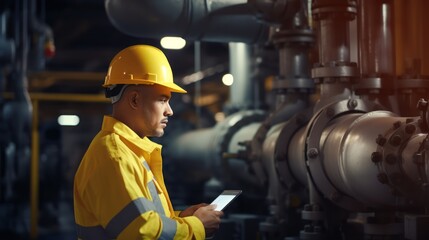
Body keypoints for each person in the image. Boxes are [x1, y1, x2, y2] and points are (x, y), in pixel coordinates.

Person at [74, 45, 224, 239]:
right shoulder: (115, 156)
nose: (169, 110)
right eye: (163, 100)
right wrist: (196, 227)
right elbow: (144, 233)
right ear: (135, 100)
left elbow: (145, 220)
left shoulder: (130, 151)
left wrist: (182, 218)